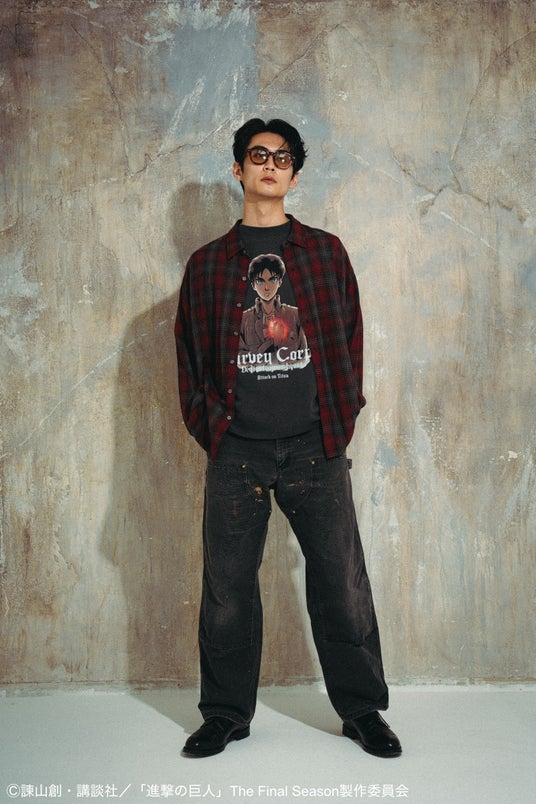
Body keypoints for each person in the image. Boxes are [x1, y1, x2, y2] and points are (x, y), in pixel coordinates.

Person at [174, 117, 401, 759]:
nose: (270, 165)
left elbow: (350, 339)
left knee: (341, 584)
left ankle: (362, 711)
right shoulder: (208, 265)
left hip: (314, 447)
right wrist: (215, 431)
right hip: (237, 452)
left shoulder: (325, 254)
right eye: (258, 155)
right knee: (228, 591)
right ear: (238, 169)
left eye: (282, 157)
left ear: (294, 175)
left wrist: (340, 418)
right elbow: (189, 356)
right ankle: (225, 714)